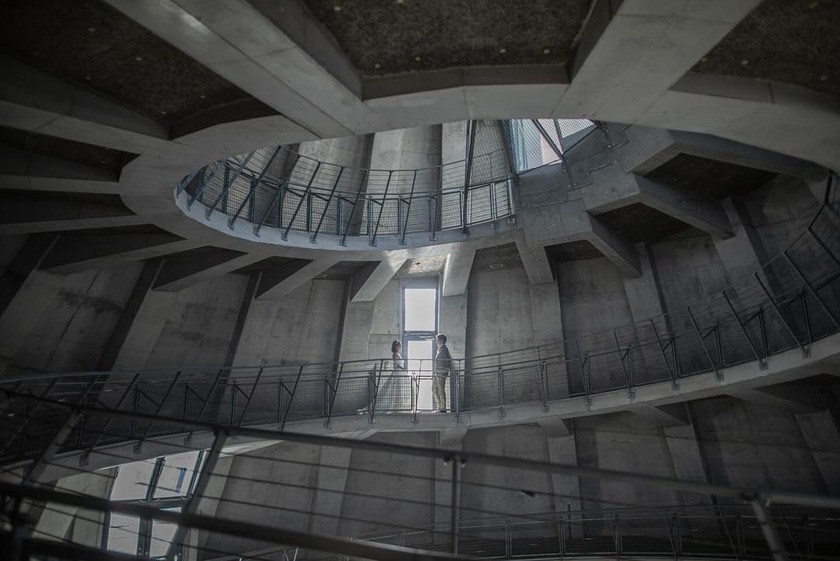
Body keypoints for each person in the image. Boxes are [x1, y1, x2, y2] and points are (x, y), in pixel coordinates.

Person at [433, 333, 451, 413]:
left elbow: (447, 359)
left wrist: (447, 368)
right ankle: (439, 406)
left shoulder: (444, 349)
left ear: (441, 340)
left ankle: (442, 408)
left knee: (440, 390)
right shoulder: (439, 349)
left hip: (441, 372)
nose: (436, 342)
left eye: (437, 340)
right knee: (434, 389)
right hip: (437, 372)